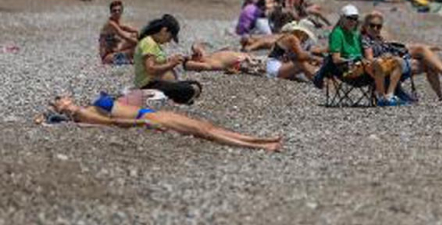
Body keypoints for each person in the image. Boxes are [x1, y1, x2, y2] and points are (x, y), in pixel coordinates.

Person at [44, 94, 281, 152]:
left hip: (148, 112)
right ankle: (258, 146)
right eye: (60, 107)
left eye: (62, 100)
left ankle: (256, 139)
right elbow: (112, 123)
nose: (63, 104)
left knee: (205, 126)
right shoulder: (82, 115)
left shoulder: (87, 106)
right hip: (145, 118)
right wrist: (141, 125)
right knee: (203, 132)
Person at [361, 10, 442, 102]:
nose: (375, 28)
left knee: (425, 53)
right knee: (423, 55)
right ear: (365, 26)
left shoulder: (379, 38)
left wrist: (427, 48)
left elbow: (397, 46)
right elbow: (370, 58)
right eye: (372, 25)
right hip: (392, 65)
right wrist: (384, 57)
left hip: (396, 58)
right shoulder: (366, 40)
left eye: (379, 26)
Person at [133, 14, 202, 105]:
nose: (169, 41)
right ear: (164, 30)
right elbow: (150, 69)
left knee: (196, 85)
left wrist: (173, 60)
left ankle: (176, 97)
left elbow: (157, 63)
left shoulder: (154, 43)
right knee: (190, 89)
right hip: (149, 85)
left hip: (159, 82)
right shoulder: (149, 43)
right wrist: (171, 64)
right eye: (170, 37)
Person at [182, 43, 265, 75]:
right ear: (196, 61)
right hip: (245, 62)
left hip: (247, 57)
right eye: (194, 56)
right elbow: (187, 66)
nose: (193, 55)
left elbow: (197, 45)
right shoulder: (209, 64)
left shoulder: (205, 56)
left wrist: (195, 49)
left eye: (194, 54)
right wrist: (188, 62)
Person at [99, 0, 139, 65]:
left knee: (134, 37)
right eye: (114, 11)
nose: (117, 12)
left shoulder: (117, 22)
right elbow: (124, 36)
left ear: (122, 11)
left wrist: (138, 34)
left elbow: (131, 29)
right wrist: (141, 43)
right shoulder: (110, 24)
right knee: (135, 50)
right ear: (111, 12)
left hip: (115, 51)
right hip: (107, 57)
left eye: (119, 10)